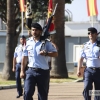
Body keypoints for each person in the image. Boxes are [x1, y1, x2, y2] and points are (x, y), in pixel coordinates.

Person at [20, 23, 58, 100]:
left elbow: (56, 54)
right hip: (31, 71)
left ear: (40, 31)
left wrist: (46, 53)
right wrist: (22, 71)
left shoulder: (46, 42)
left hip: (43, 72)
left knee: (42, 95)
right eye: (33, 30)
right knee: (27, 93)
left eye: (36, 30)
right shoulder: (27, 42)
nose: (34, 32)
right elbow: (24, 57)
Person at [77, 27, 100, 100]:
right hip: (88, 70)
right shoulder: (85, 45)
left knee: (97, 90)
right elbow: (81, 58)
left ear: (96, 34)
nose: (90, 34)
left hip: (98, 71)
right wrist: (78, 69)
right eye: (89, 33)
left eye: (92, 33)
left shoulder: (99, 45)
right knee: (87, 87)